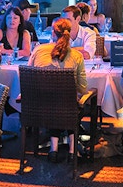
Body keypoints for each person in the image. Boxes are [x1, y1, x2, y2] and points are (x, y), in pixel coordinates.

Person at [29, 18, 88, 160]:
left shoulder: (38, 50)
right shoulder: (77, 56)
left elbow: (29, 76)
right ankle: (73, 149)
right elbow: (82, 87)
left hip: (40, 106)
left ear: (53, 34)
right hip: (67, 108)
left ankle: (53, 149)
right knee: (70, 103)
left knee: (53, 102)